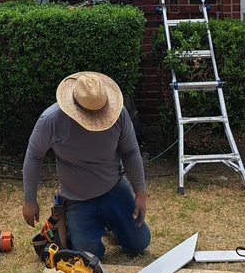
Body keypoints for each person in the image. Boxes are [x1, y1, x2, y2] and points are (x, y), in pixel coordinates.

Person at [22, 71, 150, 259]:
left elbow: (130, 152)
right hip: (78, 200)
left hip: (114, 189)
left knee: (140, 243)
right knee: (88, 256)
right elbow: (34, 156)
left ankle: (110, 227)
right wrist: (29, 200)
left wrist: (140, 192)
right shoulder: (50, 120)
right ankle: (75, 226)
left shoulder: (119, 115)